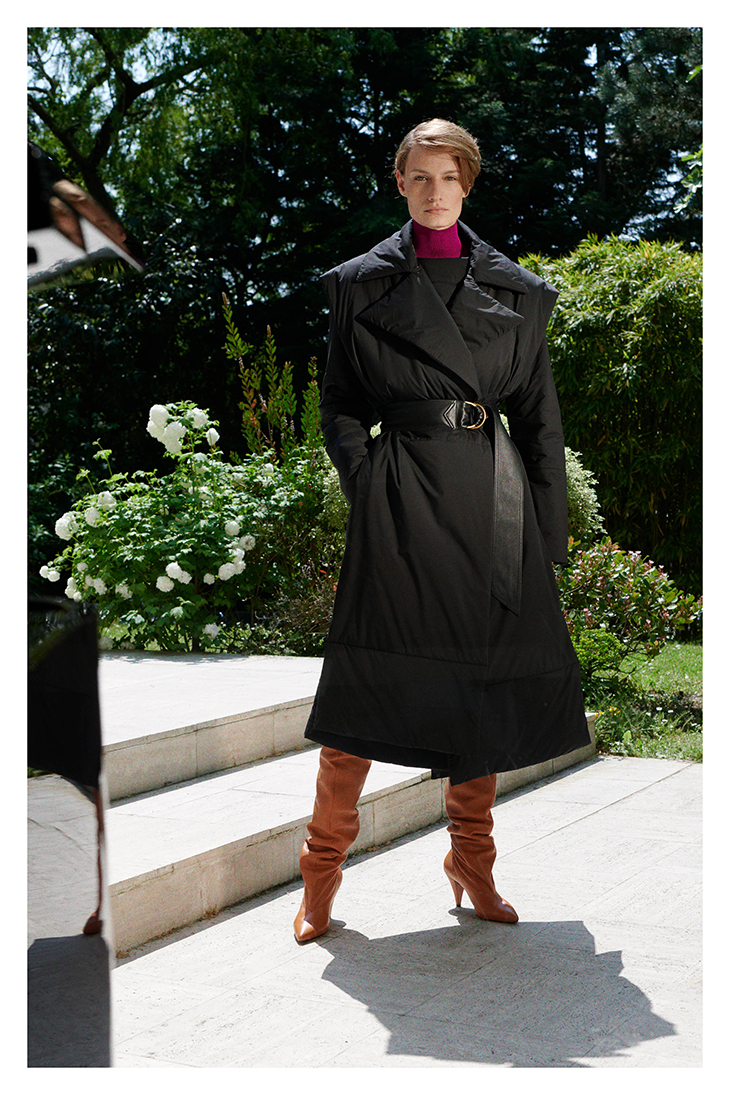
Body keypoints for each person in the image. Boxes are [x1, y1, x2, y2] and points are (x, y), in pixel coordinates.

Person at [294, 119, 591, 944]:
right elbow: (340, 404)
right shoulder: (358, 286)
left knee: (481, 693)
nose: (435, 191)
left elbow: (539, 421)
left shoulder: (520, 293)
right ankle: (320, 872)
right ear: (400, 183)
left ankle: (473, 861)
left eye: (449, 177)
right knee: (364, 686)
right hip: (400, 504)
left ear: (468, 184)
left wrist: (545, 538)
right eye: (420, 176)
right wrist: (370, 485)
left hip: (491, 505)